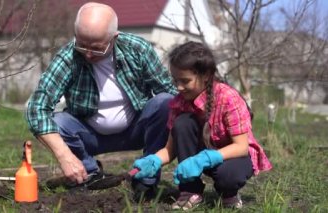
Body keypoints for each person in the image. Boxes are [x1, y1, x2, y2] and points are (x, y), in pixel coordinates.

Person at [25, 2, 177, 198]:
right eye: (81, 44)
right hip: (90, 135)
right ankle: (86, 173)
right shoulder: (68, 57)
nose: (87, 54)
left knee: (165, 103)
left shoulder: (138, 49)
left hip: (135, 129)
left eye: (96, 49)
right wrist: (64, 156)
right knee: (58, 122)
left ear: (114, 37)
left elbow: (171, 93)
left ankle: (146, 180)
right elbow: (36, 108)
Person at [132, 41, 272, 210]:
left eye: (185, 81)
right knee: (183, 123)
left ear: (206, 75)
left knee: (228, 177)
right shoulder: (179, 102)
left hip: (233, 156)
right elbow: (170, 149)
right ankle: (190, 191)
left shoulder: (228, 98)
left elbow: (241, 147)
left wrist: (204, 159)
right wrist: (154, 160)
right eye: (175, 80)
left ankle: (228, 193)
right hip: (202, 156)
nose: (179, 87)